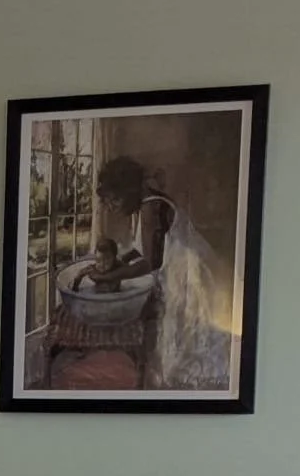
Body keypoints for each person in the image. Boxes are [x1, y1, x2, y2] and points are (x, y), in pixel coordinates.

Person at [93, 156, 232, 390]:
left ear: (129, 190)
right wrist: (120, 260)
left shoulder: (151, 208)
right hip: (184, 272)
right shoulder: (147, 203)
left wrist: (109, 276)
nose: (112, 208)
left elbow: (151, 262)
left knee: (189, 341)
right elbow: (142, 248)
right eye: (108, 203)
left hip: (191, 276)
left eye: (114, 200)